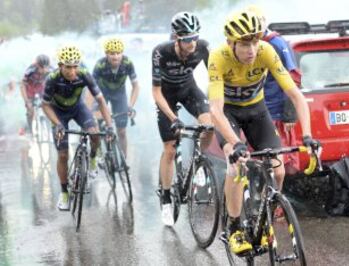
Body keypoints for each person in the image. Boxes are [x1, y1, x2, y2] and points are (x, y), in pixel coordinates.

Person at [208, 10, 319, 255]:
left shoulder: (267, 51)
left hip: (257, 111)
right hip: (228, 114)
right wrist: (236, 143)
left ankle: (262, 214)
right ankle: (234, 228)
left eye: (256, 42)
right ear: (231, 43)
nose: (252, 50)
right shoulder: (218, 57)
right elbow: (215, 110)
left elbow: (296, 96)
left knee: (278, 170)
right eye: (246, 44)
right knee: (236, 165)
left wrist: (308, 137)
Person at [152, 11, 213, 226]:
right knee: (170, 147)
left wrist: (216, 104)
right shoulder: (161, 52)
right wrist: (172, 117)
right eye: (188, 39)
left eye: (195, 37)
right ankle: (167, 198)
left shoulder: (203, 47)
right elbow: (156, 92)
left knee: (208, 126)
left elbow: (215, 80)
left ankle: (198, 163)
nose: (193, 43)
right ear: (177, 37)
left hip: (188, 89)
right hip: (166, 95)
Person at [42, 45, 113, 211]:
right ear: (60, 66)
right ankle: (64, 192)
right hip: (58, 112)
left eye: (75, 66)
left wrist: (109, 126)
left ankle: (93, 159)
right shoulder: (52, 78)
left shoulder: (84, 74)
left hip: (78, 108)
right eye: (68, 67)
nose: (72, 71)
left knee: (95, 134)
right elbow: (45, 105)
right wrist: (57, 123)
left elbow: (101, 100)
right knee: (63, 154)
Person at [248, 5, 301, 175]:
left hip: (277, 113)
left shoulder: (276, 43)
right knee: (257, 162)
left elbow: (293, 77)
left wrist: (289, 112)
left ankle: (278, 198)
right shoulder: (248, 45)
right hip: (256, 111)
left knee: (281, 164)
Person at [92, 37, 139, 156]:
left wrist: (130, 105)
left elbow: (136, 86)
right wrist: (91, 109)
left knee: (122, 131)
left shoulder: (127, 63)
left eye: (118, 53)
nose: (116, 56)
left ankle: (124, 159)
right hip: (102, 94)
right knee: (99, 126)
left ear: (122, 53)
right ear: (106, 54)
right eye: (112, 53)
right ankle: (100, 154)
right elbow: (91, 87)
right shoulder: (100, 65)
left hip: (119, 94)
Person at [20, 54, 51, 135]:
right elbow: (22, 85)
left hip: (41, 88)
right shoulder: (30, 70)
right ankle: (30, 131)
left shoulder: (52, 70)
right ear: (37, 66)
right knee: (30, 110)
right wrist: (27, 101)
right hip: (30, 89)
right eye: (42, 67)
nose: (44, 70)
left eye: (46, 67)